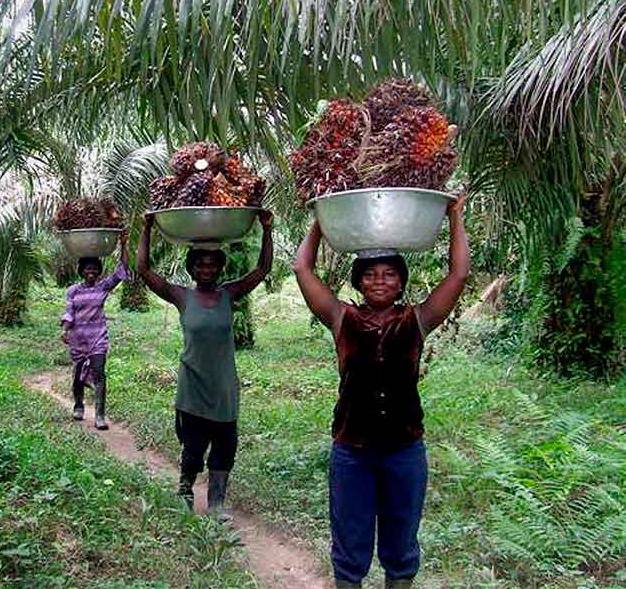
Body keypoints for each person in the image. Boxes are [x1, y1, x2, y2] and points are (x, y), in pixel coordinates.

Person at [292, 196, 469, 589]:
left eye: (389, 274)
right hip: (352, 450)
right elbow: (302, 268)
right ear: (358, 281)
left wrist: (454, 215)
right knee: (349, 539)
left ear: (401, 282)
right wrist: (321, 221)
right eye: (370, 275)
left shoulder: (417, 321)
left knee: (401, 539)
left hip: (404, 450)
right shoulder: (342, 319)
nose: (379, 281)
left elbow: (457, 275)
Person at [136, 211, 274, 517]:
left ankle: (216, 502)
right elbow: (143, 269)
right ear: (192, 268)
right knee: (193, 446)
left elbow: (263, 269)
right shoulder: (181, 296)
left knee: (225, 445)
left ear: (220, 268)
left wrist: (266, 229)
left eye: (212, 264)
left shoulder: (230, 294)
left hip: (224, 385)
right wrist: (146, 228)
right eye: (200, 264)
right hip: (193, 384)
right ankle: (185, 490)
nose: (207, 269)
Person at [60, 230, 130, 430]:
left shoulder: (103, 287)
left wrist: (124, 244)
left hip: (98, 339)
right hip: (78, 340)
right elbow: (69, 313)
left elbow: (122, 268)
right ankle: (79, 405)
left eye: (94, 269)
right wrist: (65, 331)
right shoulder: (73, 290)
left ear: (98, 271)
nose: (91, 272)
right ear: (81, 271)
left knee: (99, 374)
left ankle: (100, 415)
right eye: (87, 269)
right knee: (77, 375)